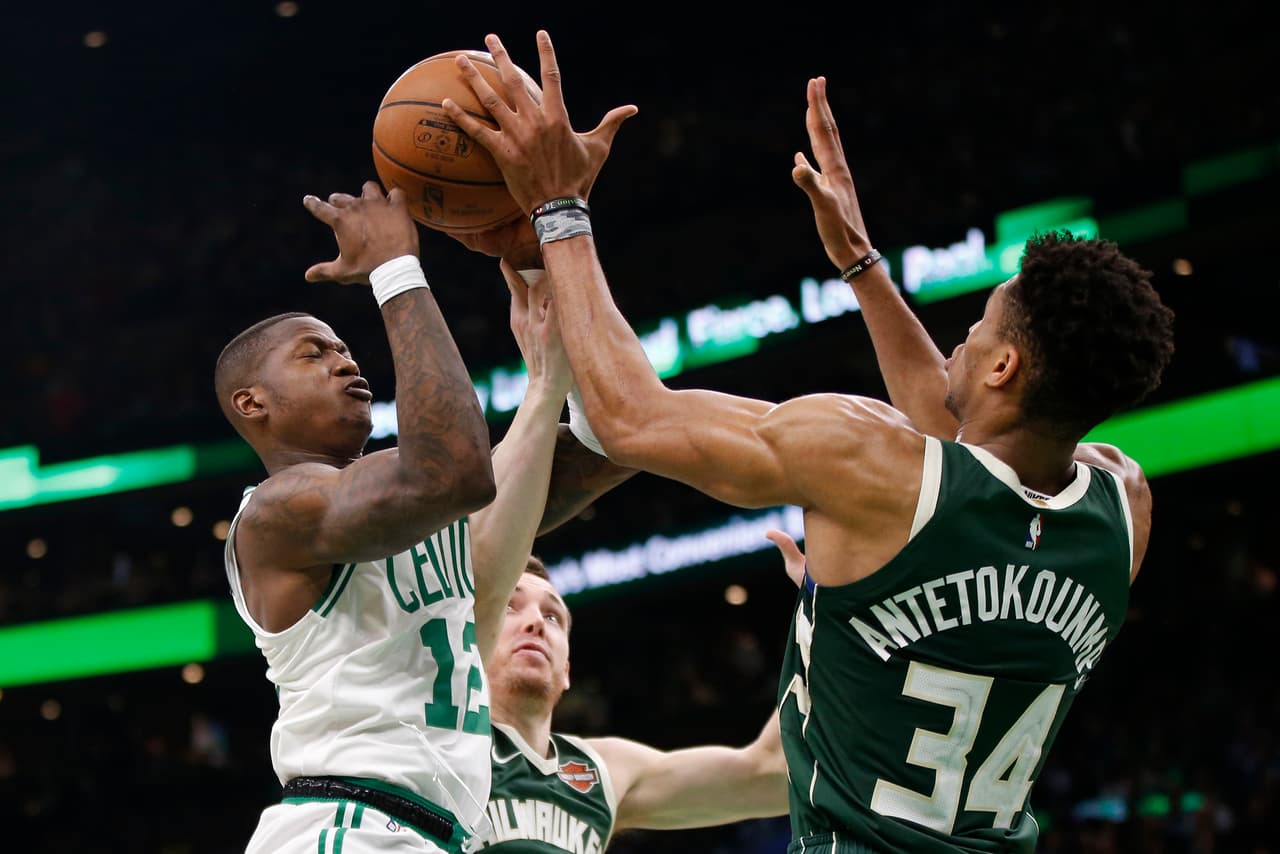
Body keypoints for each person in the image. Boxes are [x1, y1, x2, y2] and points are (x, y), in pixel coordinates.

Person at [442, 31, 1177, 854]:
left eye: (974, 332)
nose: (956, 347)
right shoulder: (1124, 504)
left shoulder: (868, 462)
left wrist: (560, 210)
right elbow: (978, 455)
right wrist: (861, 266)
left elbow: (631, 418)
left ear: (1004, 366)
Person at [215, 181, 632, 854]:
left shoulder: (415, 510)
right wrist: (394, 268)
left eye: (343, 347)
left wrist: (556, 258)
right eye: (312, 353)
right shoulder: (274, 515)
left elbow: (618, 436)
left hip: (431, 835)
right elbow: (452, 472)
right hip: (342, 829)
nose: (344, 358)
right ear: (252, 403)